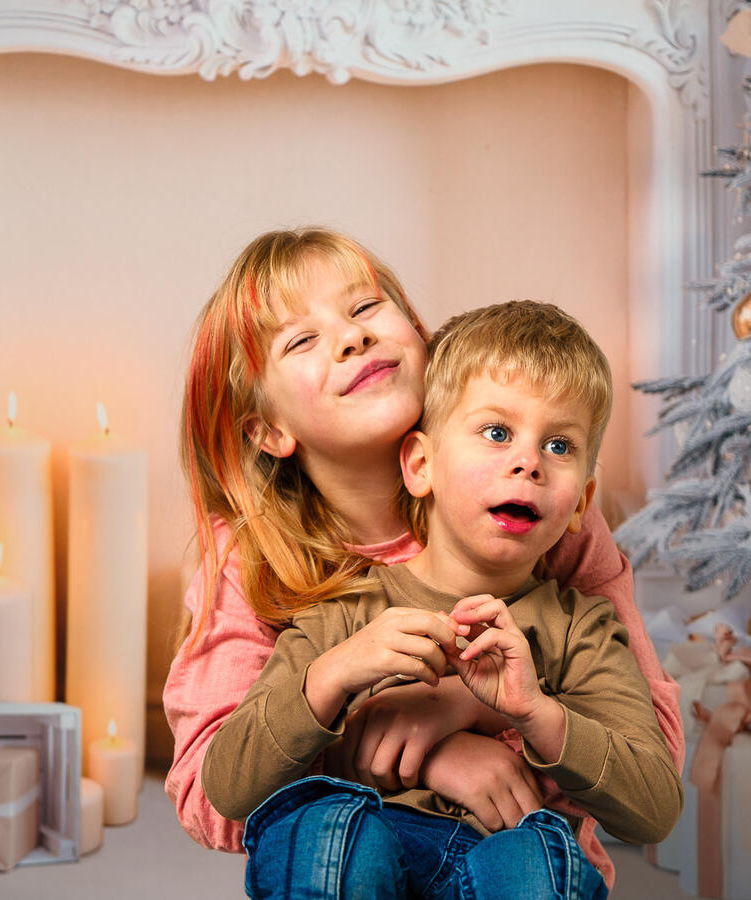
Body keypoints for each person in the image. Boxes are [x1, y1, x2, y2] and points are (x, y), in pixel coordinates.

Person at [164, 228, 683, 870]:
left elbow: (653, 748)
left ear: (420, 335)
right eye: (301, 339)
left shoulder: (537, 496)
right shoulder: (254, 560)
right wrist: (418, 753)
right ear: (269, 428)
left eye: (364, 308)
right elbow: (211, 797)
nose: (352, 337)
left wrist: (472, 699)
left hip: (516, 857)